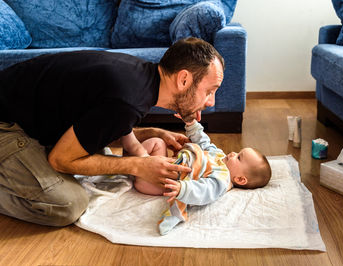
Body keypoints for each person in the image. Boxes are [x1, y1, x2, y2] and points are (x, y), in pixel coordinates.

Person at [0, 37, 224, 226]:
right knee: (68, 204)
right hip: (6, 127)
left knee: (98, 154)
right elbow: (60, 160)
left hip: (28, 118)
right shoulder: (127, 100)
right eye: (209, 91)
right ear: (184, 79)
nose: (211, 102)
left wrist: (153, 132)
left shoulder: (140, 78)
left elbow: (103, 122)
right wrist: (137, 165)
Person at [133, 119, 272, 235]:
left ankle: (129, 170)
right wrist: (192, 125)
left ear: (240, 179)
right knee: (157, 142)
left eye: (239, 157)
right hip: (167, 164)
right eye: (238, 152)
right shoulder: (219, 155)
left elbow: (204, 191)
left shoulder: (222, 180)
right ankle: (129, 162)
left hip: (164, 181)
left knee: (140, 178)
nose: (233, 153)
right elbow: (204, 143)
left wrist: (182, 188)